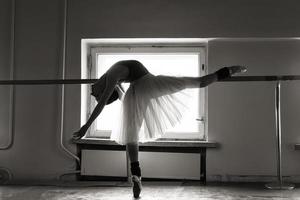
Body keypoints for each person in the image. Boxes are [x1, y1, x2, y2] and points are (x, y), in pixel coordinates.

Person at [72, 60, 247, 198]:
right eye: (94, 93)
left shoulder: (113, 75)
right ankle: (229, 70)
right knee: (195, 82)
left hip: (139, 90)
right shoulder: (112, 75)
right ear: (104, 89)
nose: (92, 91)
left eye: (93, 92)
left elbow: (106, 99)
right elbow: (103, 102)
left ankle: (136, 175)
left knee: (131, 134)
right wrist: (86, 127)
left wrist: (87, 124)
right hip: (146, 86)